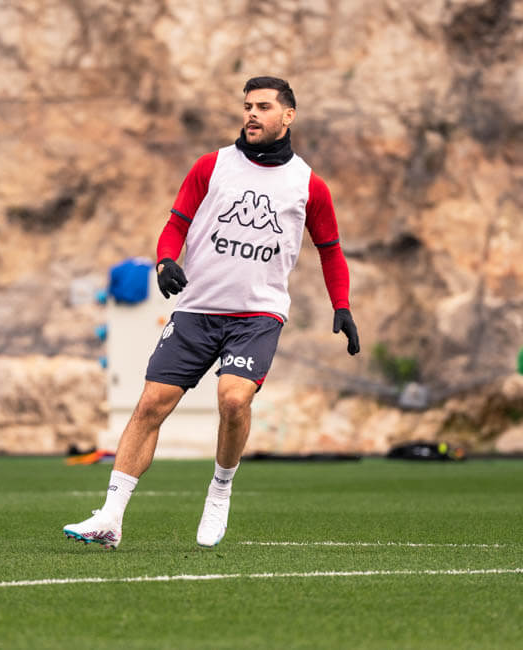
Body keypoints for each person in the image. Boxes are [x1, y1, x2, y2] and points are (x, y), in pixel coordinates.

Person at [64, 76, 359, 549]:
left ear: (288, 116)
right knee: (150, 405)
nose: (252, 114)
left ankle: (219, 492)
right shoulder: (211, 166)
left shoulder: (309, 185)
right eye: (247, 106)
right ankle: (110, 517)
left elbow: (330, 250)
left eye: (263, 106)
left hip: (258, 316)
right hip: (197, 310)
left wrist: (341, 306)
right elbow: (175, 225)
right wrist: (165, 261)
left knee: (234, 400)